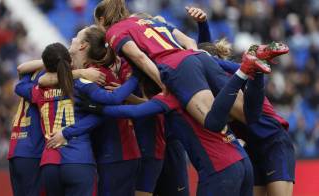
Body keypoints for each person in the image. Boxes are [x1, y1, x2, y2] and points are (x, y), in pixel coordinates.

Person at [80, 49, 272, 195]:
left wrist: (97, 107)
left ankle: (247, 72)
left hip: (218, 168)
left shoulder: (170, 97)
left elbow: (135, 111)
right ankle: (255, 73)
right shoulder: (197, 90)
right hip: (241, 160)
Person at [186, 6, 295, 196]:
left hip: (273, 141)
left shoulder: (234, 74)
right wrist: (202, 24)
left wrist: (202, 31)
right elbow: (204, 54)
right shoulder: (209, 86)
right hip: (250, 148)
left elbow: (205, 59)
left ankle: (257, 52)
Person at [37, 26, 142, 196]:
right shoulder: (80, 73)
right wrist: (80, 72)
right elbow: (43, 78)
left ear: (83, 46)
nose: (72, 39)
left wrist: (136, 75)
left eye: (76, 37)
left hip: (117, 155)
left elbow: (107, 106)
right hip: (99, 155)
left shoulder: (98, 74)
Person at [8, 69, 44, 196]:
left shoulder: (25, 83)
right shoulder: (41, 91)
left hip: (15, 148)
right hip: (32, 152)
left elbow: (22, 71)